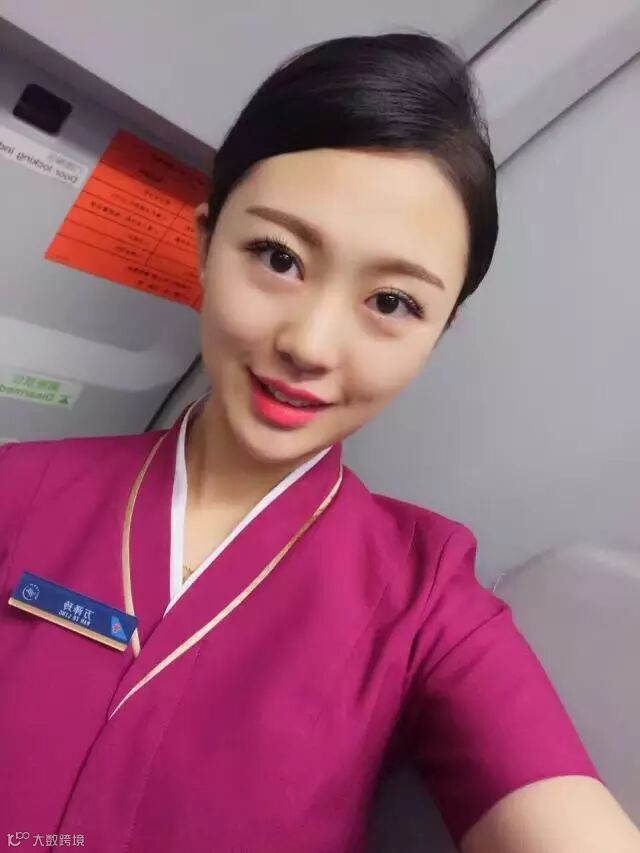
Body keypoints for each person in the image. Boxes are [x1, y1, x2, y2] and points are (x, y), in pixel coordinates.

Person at [0, 31, 638, 853]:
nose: (310, 343)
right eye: (278, 256)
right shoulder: (18, 487)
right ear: (204, 244)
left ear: (439, 332)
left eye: (393, 302)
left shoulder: (426, 601)